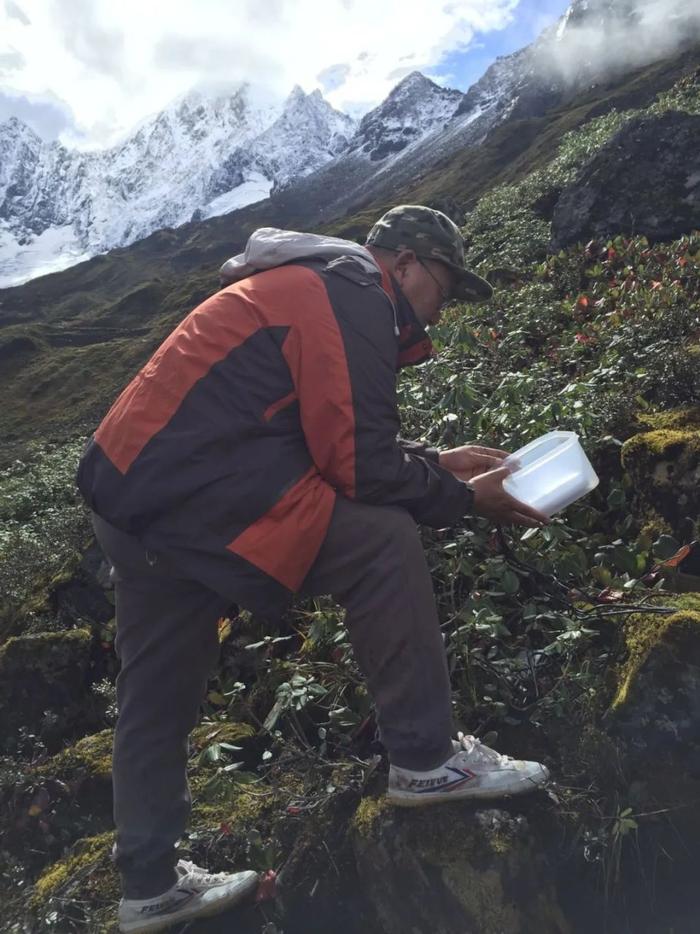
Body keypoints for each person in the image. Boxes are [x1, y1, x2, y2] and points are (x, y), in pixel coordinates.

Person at [77, 204, 550, 933]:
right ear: (405, 264)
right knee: (384, 540)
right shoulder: (354, 289)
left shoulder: (305, 284)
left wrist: (432, 463)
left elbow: (317, 433)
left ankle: (149, 883)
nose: (442, 310)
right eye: (445, 288)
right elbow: (356, 461)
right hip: (195, 499)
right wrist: (459, 497)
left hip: (132, 501)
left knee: (157, 691)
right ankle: (427, 759)